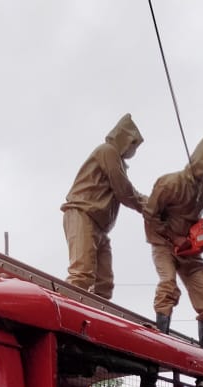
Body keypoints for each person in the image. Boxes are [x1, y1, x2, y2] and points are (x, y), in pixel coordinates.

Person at [143, 137, 203, 350]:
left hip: (190, 249)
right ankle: (161, 340)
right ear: (200, 164)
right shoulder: (169, 183)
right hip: (164, 244)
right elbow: (150, 215)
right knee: (168, 285)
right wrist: (172, 237)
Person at [61, 114, 146, 300]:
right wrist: (150, 206)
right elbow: (124, 190)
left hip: (99, 225)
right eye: (134, 145)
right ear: (127, 140)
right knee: (82, 274)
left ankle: (95, 319)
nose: (134, 151)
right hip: (83, 213)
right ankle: (66, 310)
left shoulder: (117, 160)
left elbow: (124, 190)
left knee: (104, 284)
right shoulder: (108, 151)